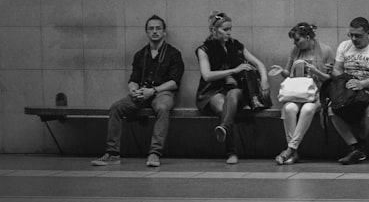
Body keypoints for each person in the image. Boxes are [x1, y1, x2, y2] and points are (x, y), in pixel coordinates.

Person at [91, 15, 184, 168]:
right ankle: (112, 154)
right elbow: (133, 78)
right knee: (116, 107)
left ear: (164, 32)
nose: (155, 31)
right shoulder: (140, 54)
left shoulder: (174, 54)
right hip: (142, 93)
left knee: (162, 107)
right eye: (151, 29)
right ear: (146, 32)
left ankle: (155, 153)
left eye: (158, 28)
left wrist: (153, 90)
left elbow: (174, 82)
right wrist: (133, 89)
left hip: (162, 93)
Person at [195, 12, 269, 165]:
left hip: (235, 89)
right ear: (214, 30)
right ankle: (231, 152)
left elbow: (259, 64)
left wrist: (265, 81)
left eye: (230, 29)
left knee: (233, 94)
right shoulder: (204, 49)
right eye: (225, 30)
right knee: (225, 108)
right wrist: (233, 70)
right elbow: (207, 75)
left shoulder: (236, 45)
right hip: (211, 91)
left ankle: (223, 127)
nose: (229, 33)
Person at [269, 22, 335, 165]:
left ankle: (290, 149)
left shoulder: (326, 50)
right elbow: (289, 74)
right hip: (298, 93)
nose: (295, 43)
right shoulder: (295, 51)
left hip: (318, 93)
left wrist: (316, 71)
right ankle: (293, 153)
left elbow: (330, 79)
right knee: (289, 108)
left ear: (307, 36)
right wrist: (281, 71)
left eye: (297, 39)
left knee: (308, 109)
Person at [327, 17, 369, 165]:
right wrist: (343, 78)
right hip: (346, 88)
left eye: (358, 36)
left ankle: (359, 143)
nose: (354, 39)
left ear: (368, 33)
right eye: (351, 35)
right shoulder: (344, 46)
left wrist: (362, 84)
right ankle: (354, 146)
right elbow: (337, 69)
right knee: (331, 110)